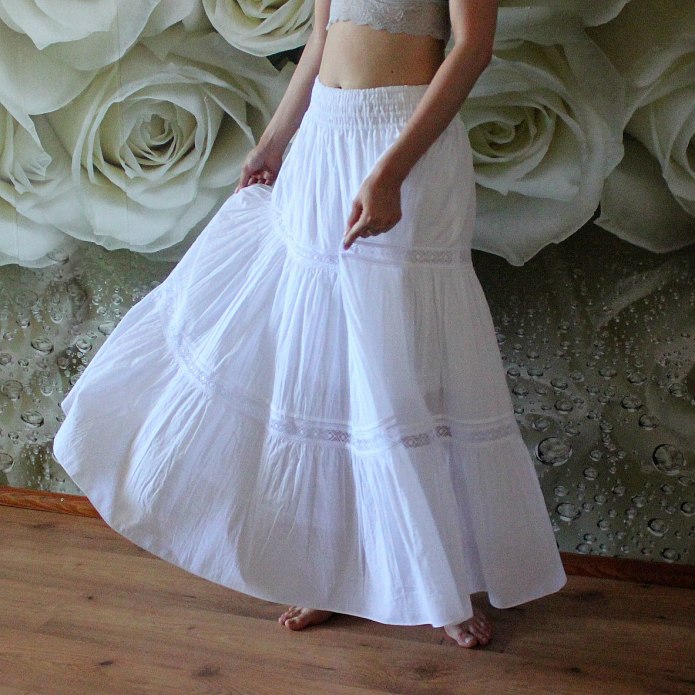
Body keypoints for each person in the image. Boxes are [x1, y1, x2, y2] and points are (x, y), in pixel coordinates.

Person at [52, 0, 567, 652]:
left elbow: (471, 50)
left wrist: (389, 173)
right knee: (318, 368)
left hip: (404, 146)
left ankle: (438, 584)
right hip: (322, 139)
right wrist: (273, 142)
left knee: (404, 363)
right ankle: (326, 572)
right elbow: (319, 40)